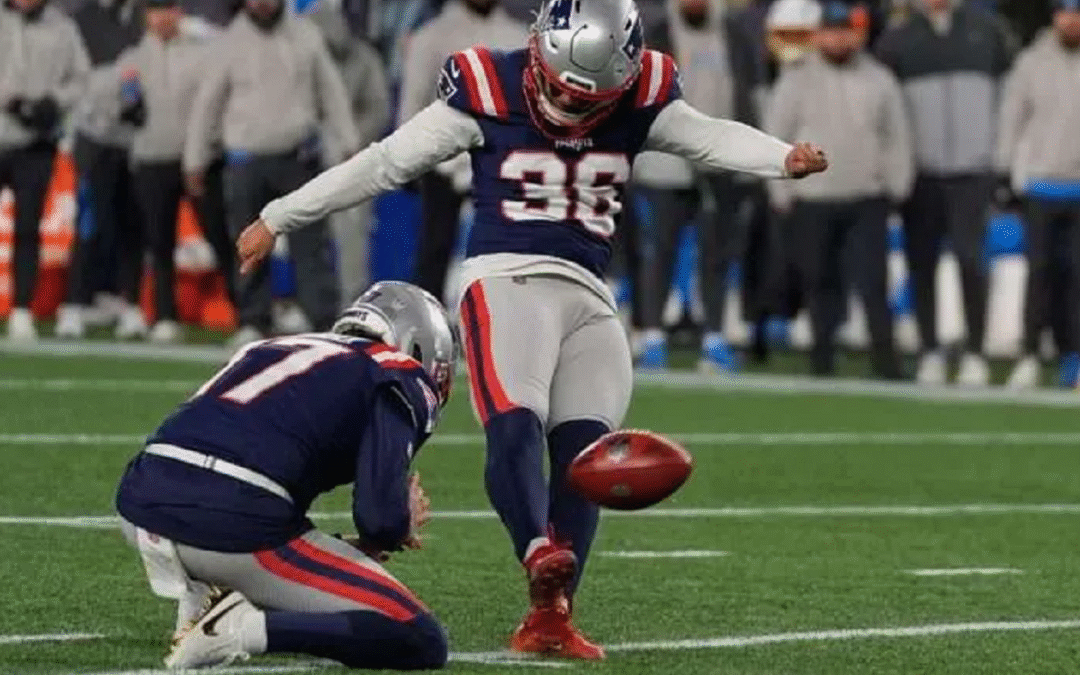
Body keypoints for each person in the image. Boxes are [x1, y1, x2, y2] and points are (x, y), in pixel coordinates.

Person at [236, 0, 827, 658]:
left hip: (589, 294)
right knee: (515, 419)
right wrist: (280, 215)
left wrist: (783, 157)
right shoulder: (486, 87)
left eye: (590, 95)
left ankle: (552, 612)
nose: (570, 106)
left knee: (585, 458)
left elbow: (712, 136)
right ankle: (537, 550)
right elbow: (384, 162)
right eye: (559, 84)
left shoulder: (645, 94)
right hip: (505, 279)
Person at [115, 281, 456, 670]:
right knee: (420, 637)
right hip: (229, 521)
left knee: (284, 527)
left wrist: (353, 546)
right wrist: (400, 523)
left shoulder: (272, 347)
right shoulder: (397, 371)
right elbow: (380, 518)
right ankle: (240, 627)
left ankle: (209, 590)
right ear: (419, 347)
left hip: (140, 501)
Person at [184, 0, 359, 348]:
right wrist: (195, 159)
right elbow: (208, 104)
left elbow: (331, 91)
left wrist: (348, 141)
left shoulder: (306, 35)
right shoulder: (229, 41)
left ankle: (321, 318)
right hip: (245, 160)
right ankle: (252, 319)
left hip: (299, 158)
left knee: (311, 244)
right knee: (248, 245)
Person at [766, 0, 912, 379]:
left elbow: (897, 137)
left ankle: (886, 364)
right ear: (818, 34)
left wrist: (897, 186)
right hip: (813, 198)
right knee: (819, 282)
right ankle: (822, 361)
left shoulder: (880, 78)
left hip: (867, 196)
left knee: (873, 284)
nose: (838, 38)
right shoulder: (796, 77)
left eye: (845, 30)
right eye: (831, 31)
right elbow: (776, 136)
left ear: (857, 33)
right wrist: (780, 192)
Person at [875, 0, 1016, 386]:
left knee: (971, 260)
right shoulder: (897, 39)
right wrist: (896, 169)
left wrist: (999, 161)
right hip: (920, 173)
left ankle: (975, 352)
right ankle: (930, 351)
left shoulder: (988, 30)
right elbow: (885, 109)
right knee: (922, 264)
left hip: (973, 170)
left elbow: (1009, 98)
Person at [89, 0, 217, 343]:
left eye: (168, 9)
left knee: (218, 233)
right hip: (150, 159)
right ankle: (163, 315)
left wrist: (204, 150)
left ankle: (244, 311)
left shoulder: (201, 52)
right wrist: (123, 109)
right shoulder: (134, 59)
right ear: (147, 16)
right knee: (158, 242)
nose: (162, 17)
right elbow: (102, 102)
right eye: (155, 9)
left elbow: (214, 101)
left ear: (179, 12)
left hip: (194, 159)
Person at [397, 0, 527, 302]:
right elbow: (412, 103)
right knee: (434, 251)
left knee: (509, 257)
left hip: (502, 165)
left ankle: (508, 330)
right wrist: (408, 158)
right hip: (445, 163)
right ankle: (425, 333)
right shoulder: (431, 37)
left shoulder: (520, 37)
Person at [997, 0, 1080, 389]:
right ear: (1054, 16)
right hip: (1041, 185)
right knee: (1040, 275)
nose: (1072, 21)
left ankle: (1072, 358)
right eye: (1066, 12)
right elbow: (1012, 117)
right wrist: (1004, 172)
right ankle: (1029, 354)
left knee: (1075, 278)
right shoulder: (1032, 62)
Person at [0, 0, 90, 340]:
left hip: (37, 143)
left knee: (27, 227)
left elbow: (81, 78)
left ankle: (22, 309)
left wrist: (51, 102)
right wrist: (11, 100)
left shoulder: (63, 28)